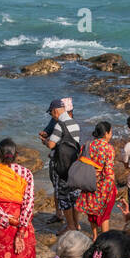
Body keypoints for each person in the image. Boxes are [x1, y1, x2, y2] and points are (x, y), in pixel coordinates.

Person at [40, 98, 81, 234]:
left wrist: (45, 141)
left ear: (55, 111)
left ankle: (70, 226)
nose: (52, 116)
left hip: (62, 166)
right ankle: (76, 224)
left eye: (51, 113)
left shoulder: (59, 125)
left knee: (63, 196)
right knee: (75, 196)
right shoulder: (75, 124)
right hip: (74, 165)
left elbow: (51, 145)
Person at [76, 121, 118, 237]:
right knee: (105, 214)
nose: (111, 135)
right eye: (111, 132)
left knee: (92, 212)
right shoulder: (108, 148)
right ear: (106, 133)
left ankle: (94, 236)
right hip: (103, 185)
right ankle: (104, 238)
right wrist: (112, 187)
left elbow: (81, 161)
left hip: (89, 182)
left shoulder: (87, 145)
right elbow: (109, 171)